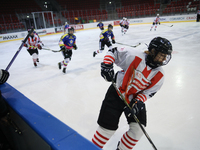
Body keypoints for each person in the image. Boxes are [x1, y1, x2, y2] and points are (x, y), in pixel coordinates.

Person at [92, 37, 173, 150]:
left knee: (138, 130)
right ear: (153, 51)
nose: (164, 59)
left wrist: (139, 101)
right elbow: (113, 51)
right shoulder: (134, 56)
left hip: (134, 101)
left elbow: (149, 92)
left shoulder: (160, 75)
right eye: (162, 55)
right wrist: (107, 65)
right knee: (107, 129)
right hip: (117, 93)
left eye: (166, 56)